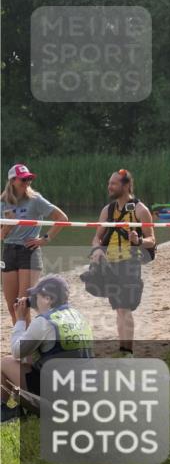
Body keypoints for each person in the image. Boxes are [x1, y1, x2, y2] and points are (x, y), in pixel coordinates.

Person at [1, 275, 93, 422]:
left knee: (5, 363)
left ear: (48, 299)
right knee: (32, 357)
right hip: (84, 391)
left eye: (36, 296)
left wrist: (20, 320)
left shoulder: (45, 322)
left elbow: (16, 351)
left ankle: (4, 411)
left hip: (58, 395)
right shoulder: (78, 316)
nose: (33, 301)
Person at [89, 169, 156, 356]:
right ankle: (124, 349)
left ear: (126, 186)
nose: (109, 187)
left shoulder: (141, 210)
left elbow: (152, 240)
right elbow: (96, 238)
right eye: (109, 183)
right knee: (119, 309)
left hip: (130, 264)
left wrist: (139, 241)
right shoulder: (107, 210)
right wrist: (96, 251)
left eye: (114, 183)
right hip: (110, 265)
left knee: (125, 308)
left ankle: (127, 351)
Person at [2, 164, 68, 326]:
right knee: (12, 307)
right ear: (12, 181)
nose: (27, 182)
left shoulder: (35, 199)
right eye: (23, 179)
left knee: (22, 305)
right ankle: (21, 340)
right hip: (9, 251)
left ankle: (29, 346)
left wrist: (45, 239)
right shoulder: (2, 203)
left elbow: (62, 218)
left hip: (29, 251)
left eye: (29, 179)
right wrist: (7, 227)